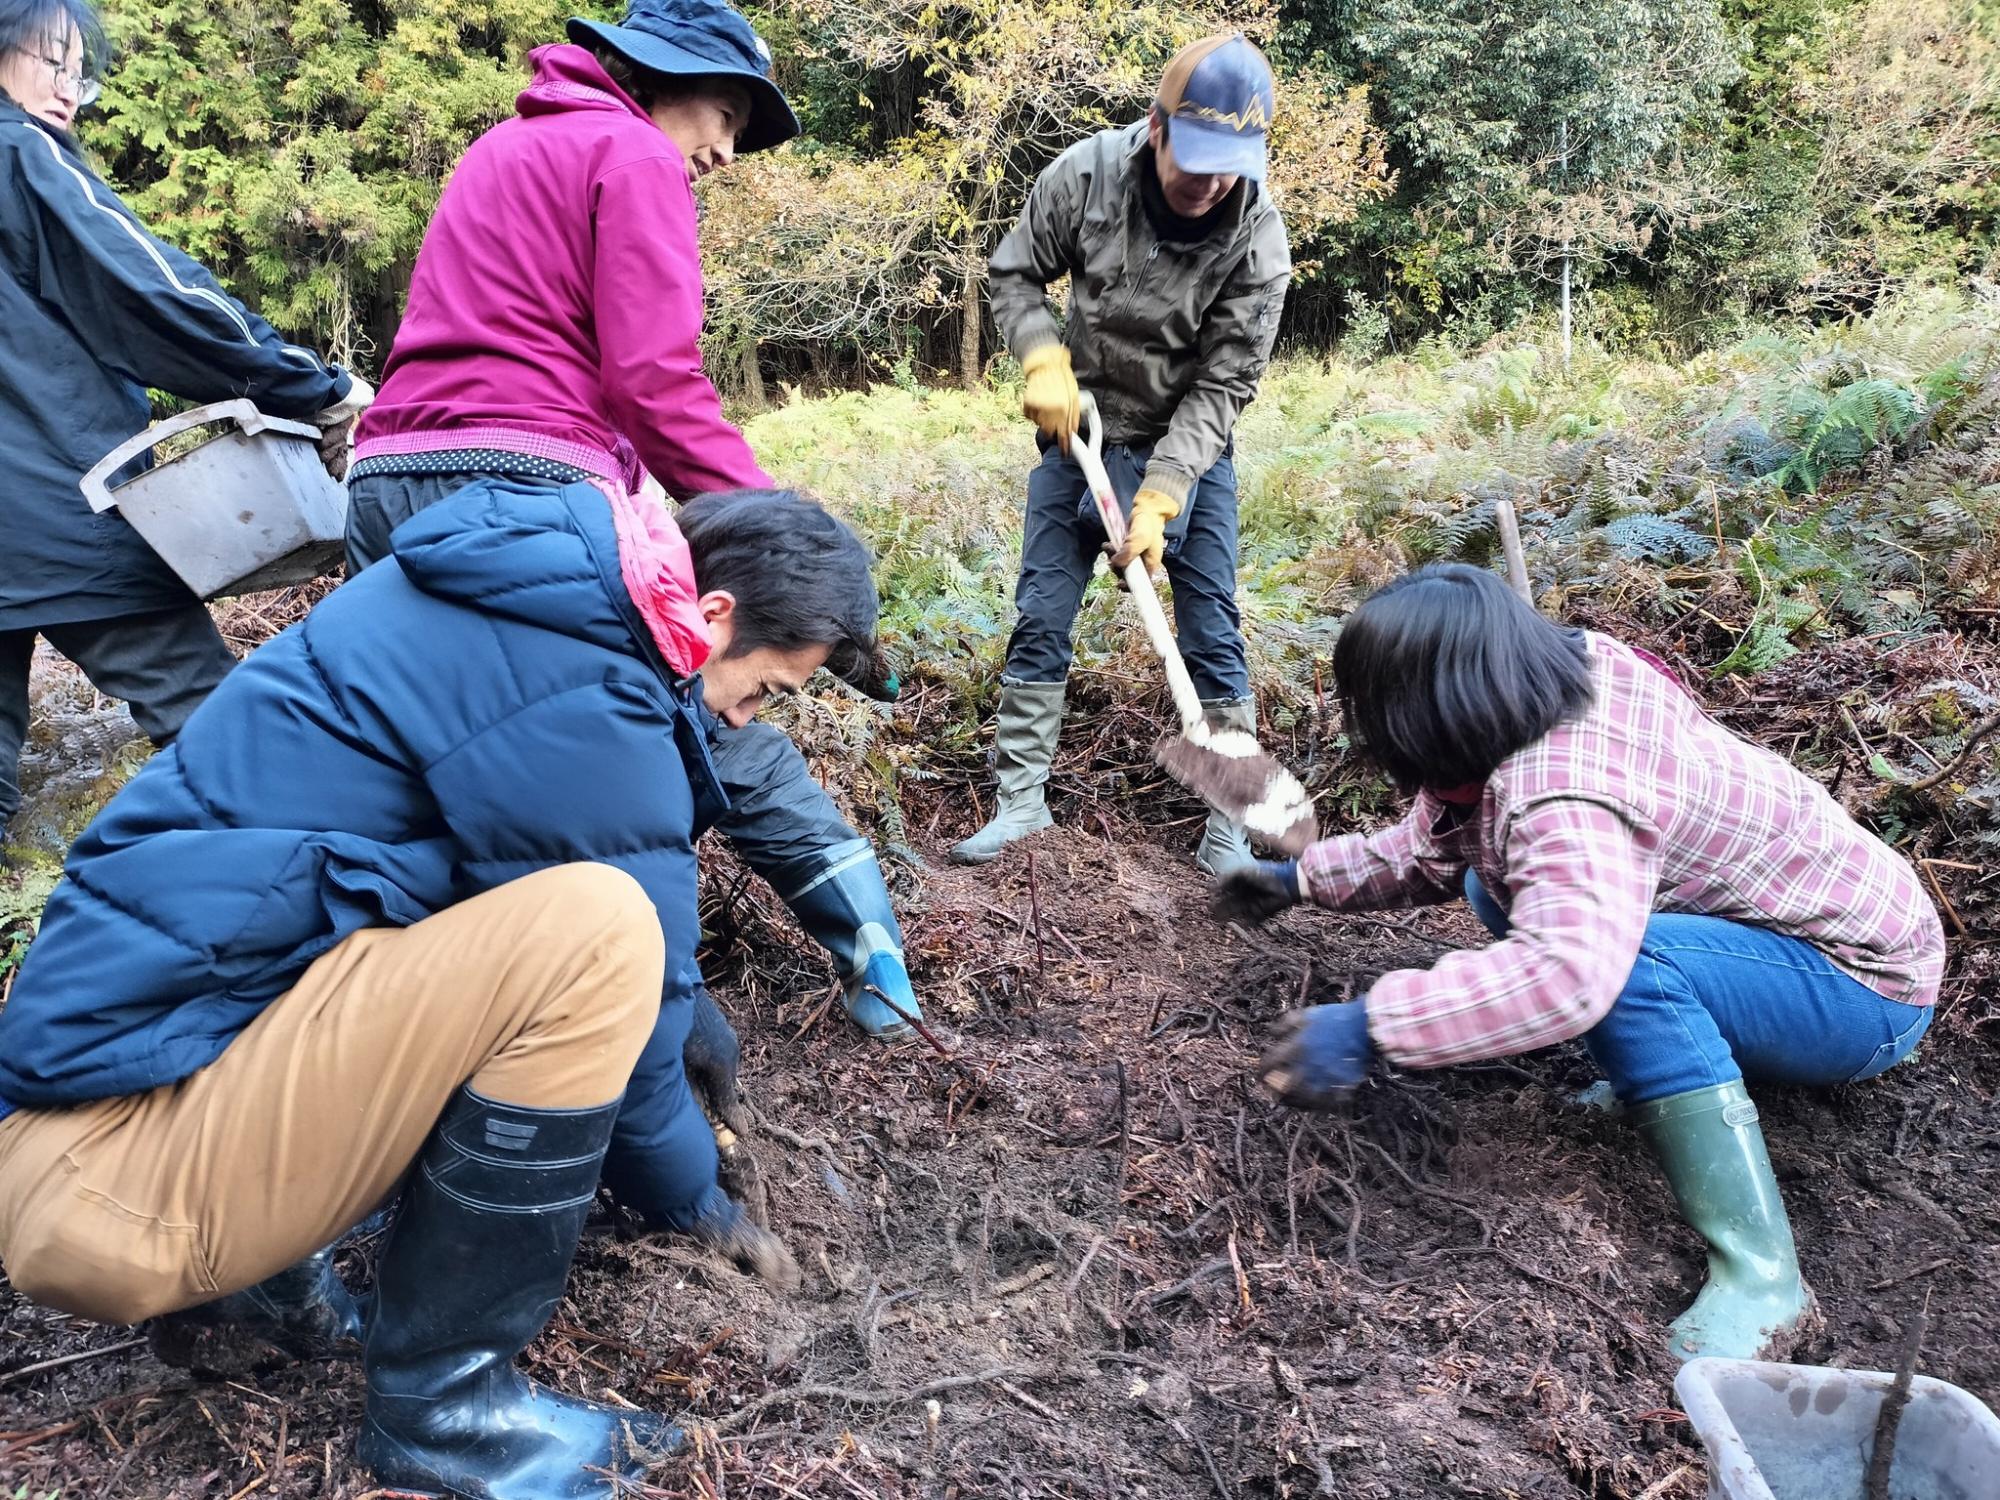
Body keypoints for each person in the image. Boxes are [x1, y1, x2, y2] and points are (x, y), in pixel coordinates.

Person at [0, 474, 879, 1497]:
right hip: (114, 1191)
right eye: (766, 690)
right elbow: (620, 993)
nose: (745, 716)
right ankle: (446, 1412)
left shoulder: (522, 607)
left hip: (82, 1144)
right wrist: (696, 1200)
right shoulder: (585, 678)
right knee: (599, 931)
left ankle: (260, 1285)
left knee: (530, 932)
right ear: (714, 615)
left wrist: (693, 1011)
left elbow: (463, 933)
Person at [345, 0, 921, 1042]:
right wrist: (792, 538)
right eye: (722, 113)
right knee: (673, 703)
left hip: (389, 482)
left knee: (419, 768)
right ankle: (852, 956)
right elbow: (655, 381)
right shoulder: (632, 153)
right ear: (654, 76)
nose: (724, 151)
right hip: (519, 488)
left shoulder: (505, 147)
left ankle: (398, 1029)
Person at [1215, 564, 1947, 1361]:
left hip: (1864, 987)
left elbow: (1567, 973)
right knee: (1497, 882)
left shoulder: (1565, 789)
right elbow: (1440, 844)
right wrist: (1301, 879)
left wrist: (1369, 1025)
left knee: (1627, 968)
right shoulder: (1540, 694)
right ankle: (1668, 1070)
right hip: (1786, 941)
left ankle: (1764, 1279)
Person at [0, 0, 369, 846]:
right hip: (58, 513)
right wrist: (314, 388)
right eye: (49, 58)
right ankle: (314, 936)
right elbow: (159, 297)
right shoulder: (19, 155)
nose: (69, 89)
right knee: (224, 740)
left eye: (78, 69)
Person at [955, 31, 1292, 875]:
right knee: (1042, 613)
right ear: (1156, 127)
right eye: (1197, 159)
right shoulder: (1086, 176)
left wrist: (1167, 492)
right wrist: (1041, 356)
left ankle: (1230, 833)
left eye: (1230, 167)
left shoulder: (1258, 243)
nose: (1210, 183)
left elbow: (1224, 385)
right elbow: (1016, 271)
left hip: (1191, 446)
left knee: (1212, 635)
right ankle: (1021, 805)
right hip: (1082, 432)